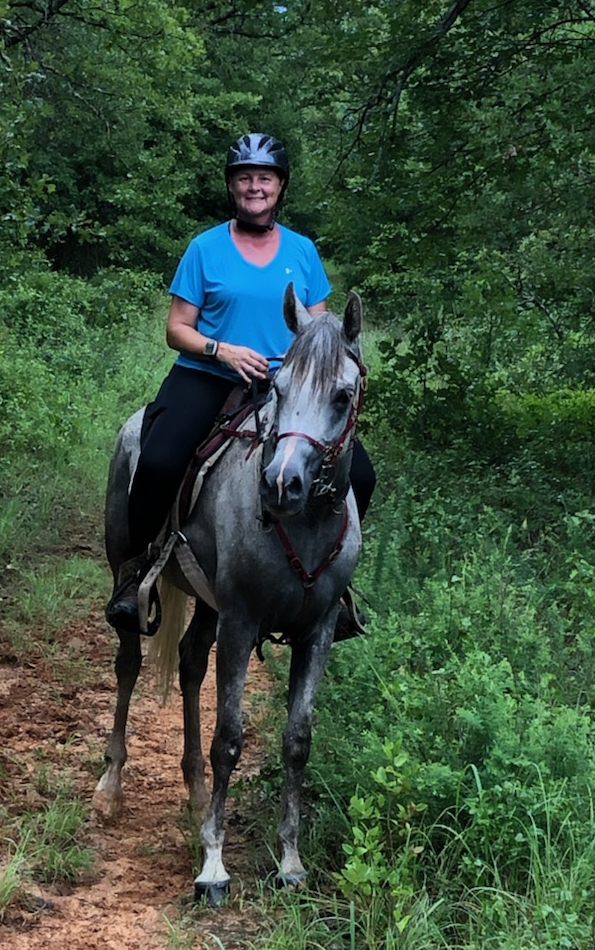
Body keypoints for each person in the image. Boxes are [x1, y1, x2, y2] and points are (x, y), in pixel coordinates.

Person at [106, 132, 376, 635]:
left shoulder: (302, 251)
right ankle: (135, 571)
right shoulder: (205, 249)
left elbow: (319, 332)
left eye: (265, 178)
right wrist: (222, 350)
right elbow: (177, 329)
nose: (255, 186)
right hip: (208, 376)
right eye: (245, 178)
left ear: (280, 186)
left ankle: (334, 590)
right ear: (232, 187)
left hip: (283, 388)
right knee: (159, 459)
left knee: (360, 474)